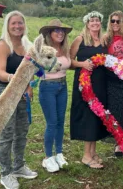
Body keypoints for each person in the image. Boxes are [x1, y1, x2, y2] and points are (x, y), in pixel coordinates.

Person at [0, 11, 37, 189]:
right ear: (8, 27)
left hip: (21, 92)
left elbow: (30, 71)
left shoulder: (28, 46)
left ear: (25, 25)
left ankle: (18, 166)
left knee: (22, 131)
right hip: (3, 92)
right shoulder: (3, 45)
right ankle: (6, 173)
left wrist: (28, 86)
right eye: (13, 23)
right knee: (6, 134)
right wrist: (15, 80)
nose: (17, 26)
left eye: (20, 23)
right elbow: (0, 73)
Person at [70, 11, 108, 169]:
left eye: (97, 20)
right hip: (84, 84)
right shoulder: (79, 39)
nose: (95, 23)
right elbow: (69, 61)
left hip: (100, 83)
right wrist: (82, 64)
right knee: (88, 117)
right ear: (87, 23)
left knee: (97, 116)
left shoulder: (104, 40)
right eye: (91, 21)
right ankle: (86, 155)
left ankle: (92, 152)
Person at [38, 19, 72, 173]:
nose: (60, 33)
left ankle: (59, 153)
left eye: (62, 31)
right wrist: (43, 72)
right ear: (49, 33)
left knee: (60, 122)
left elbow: (70, 64)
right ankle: (47, 157)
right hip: (47, 87)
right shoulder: (43, 49)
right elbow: (33, 68)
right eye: (56, 30)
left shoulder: (65, 49)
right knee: (52, 123)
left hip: (62, 86)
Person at [103, 11, 123, 156]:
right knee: (114, 109)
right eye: (112, 21)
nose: (115, 24)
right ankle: (118, 140)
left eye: (118, 21)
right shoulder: (106, 38)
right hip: (110, 76)